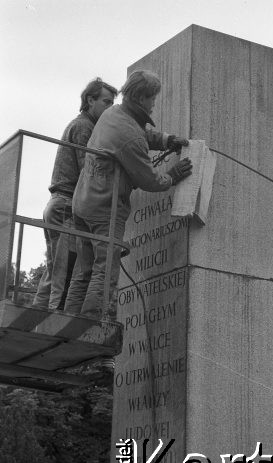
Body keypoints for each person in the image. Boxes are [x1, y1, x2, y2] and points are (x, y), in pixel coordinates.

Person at [64, 69, 192, 321]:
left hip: (82, 202)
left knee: (84, 271)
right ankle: (92, 328)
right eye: (153, 98)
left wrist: (167, 140)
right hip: (105, 209)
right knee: (104, 271)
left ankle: (66, 324)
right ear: (142, 98)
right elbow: (150, 180)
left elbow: (141, 133)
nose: (155, 103)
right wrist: (174, 175)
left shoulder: (113, 114)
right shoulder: (130, 136)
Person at [33, 78, 118, 310]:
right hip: (66, 205)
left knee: (53, 273)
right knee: (63, 274)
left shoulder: (80, 124)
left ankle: (33, 322)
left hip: (58, 204)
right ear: (90, 100)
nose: (110, 108)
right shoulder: (85, 127)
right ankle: (48, 323)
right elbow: (88, 171)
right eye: (106, 102)